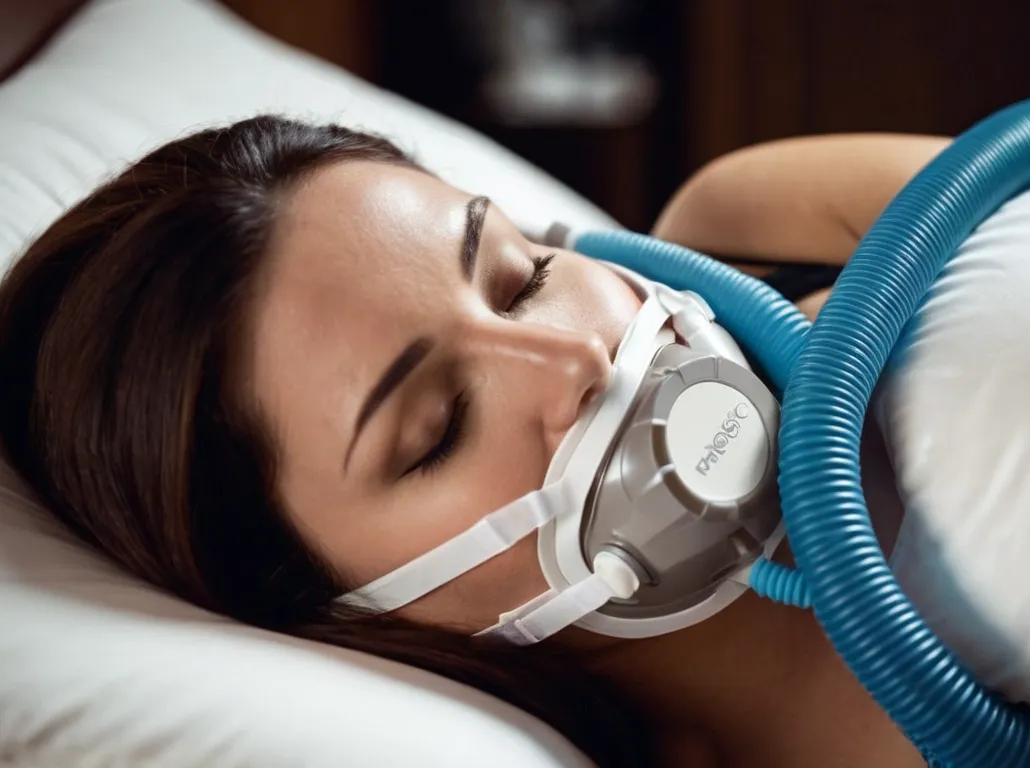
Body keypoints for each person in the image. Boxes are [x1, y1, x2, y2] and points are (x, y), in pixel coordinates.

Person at [0, 116, 946, 767]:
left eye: (520, 278)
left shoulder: (766, 225)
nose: (572, 357)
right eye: (438, 428)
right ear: (347, 613)